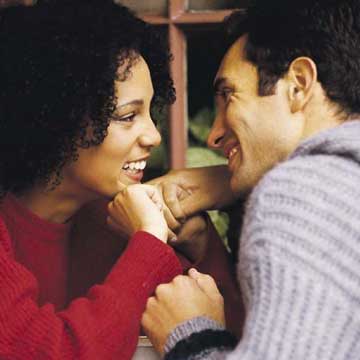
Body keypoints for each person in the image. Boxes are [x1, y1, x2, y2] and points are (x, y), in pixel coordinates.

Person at [0, 1, 238, 359]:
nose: (154, 136)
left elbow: (242, 343)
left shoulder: (120, 220)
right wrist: (150, 242)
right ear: (56, 120)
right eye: (127, 116)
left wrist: (204, 247)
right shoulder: (142, 236)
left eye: (150, 112)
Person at [141, 0, 360, 359]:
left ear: (298, 85)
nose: (213, 135)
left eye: (228, 96)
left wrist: (190, 333)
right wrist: (225, 184)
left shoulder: (299, 192)